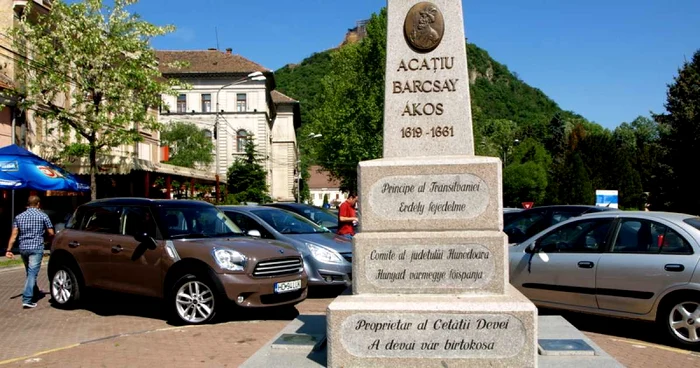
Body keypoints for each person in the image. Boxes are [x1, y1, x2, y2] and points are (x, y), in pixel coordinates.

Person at [5, 196, 54, 309]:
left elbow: (14, 235)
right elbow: (51, 232)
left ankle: (35, 291)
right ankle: (27, 299)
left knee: (29, 271)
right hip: (36, 247)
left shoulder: (19, 217)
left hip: (23, 248)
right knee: (32, 273)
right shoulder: (43, 215)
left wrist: (9, 250)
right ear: (38, 204)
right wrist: (49, 241)